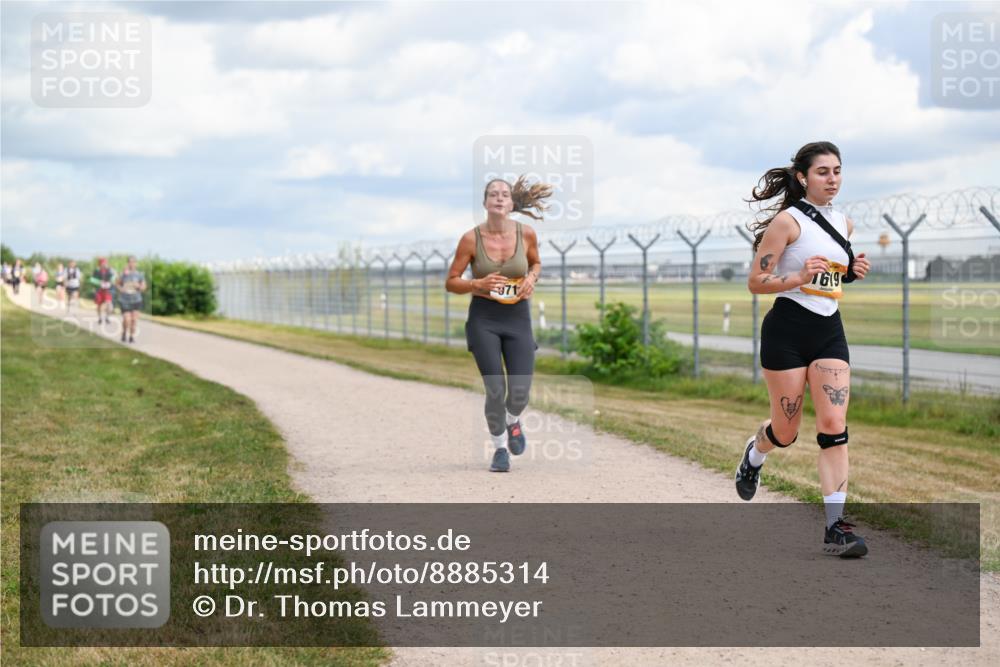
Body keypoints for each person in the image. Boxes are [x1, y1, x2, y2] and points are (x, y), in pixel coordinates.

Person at [734, 141, 871, 557]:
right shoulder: (787, 222)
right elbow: (757, 282)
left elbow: (828, 277)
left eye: (837, 171)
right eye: (823, 172)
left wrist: (851, 272)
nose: (833, 179)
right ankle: (756, 454)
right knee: (786, 430)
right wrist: (796, 277)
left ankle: (836, 527)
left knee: (833, 423)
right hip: (787, 332)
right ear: (802, 177)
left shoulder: (844, 223)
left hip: (829, 331)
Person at [446, 176, 547, 472]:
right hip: (484, 318)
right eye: (493, 194)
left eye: (504, 194)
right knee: (494, 388)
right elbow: (451, 282)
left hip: (517, 318)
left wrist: (530, 279)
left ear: (511, 203)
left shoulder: (526, 234)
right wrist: (478, 282)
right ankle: (500, 449)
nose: (499, 198)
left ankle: (513, 421)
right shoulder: (470, 239)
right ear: (485, 203)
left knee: (520, 392)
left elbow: (536, 263)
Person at [116, 256, 147, 343]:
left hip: (136, 300)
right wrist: (121, 289)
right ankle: (124, 333)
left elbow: (144, 286)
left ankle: (131, 336)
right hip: (125, 300)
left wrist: (140, 287)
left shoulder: (139, 274)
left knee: (134, 320)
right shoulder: (123, 274)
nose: (132, 264)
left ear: (136, 263)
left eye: (134, 262)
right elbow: (117, 283)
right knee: (127, 319)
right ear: (128, 263)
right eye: (130, 262)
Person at [90, 258, 116, 324]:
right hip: (99, 290)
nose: (104, 264)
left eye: (105, 263)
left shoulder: (109, 270)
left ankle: (107, 317)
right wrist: (99, 282)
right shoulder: (96, 271)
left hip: (107, 290)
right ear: (100, 264)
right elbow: (92, 280)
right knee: (99, 305)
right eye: (102, 263)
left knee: (109, 304)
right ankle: (100, 318)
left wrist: (111, 281)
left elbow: (114, 277)